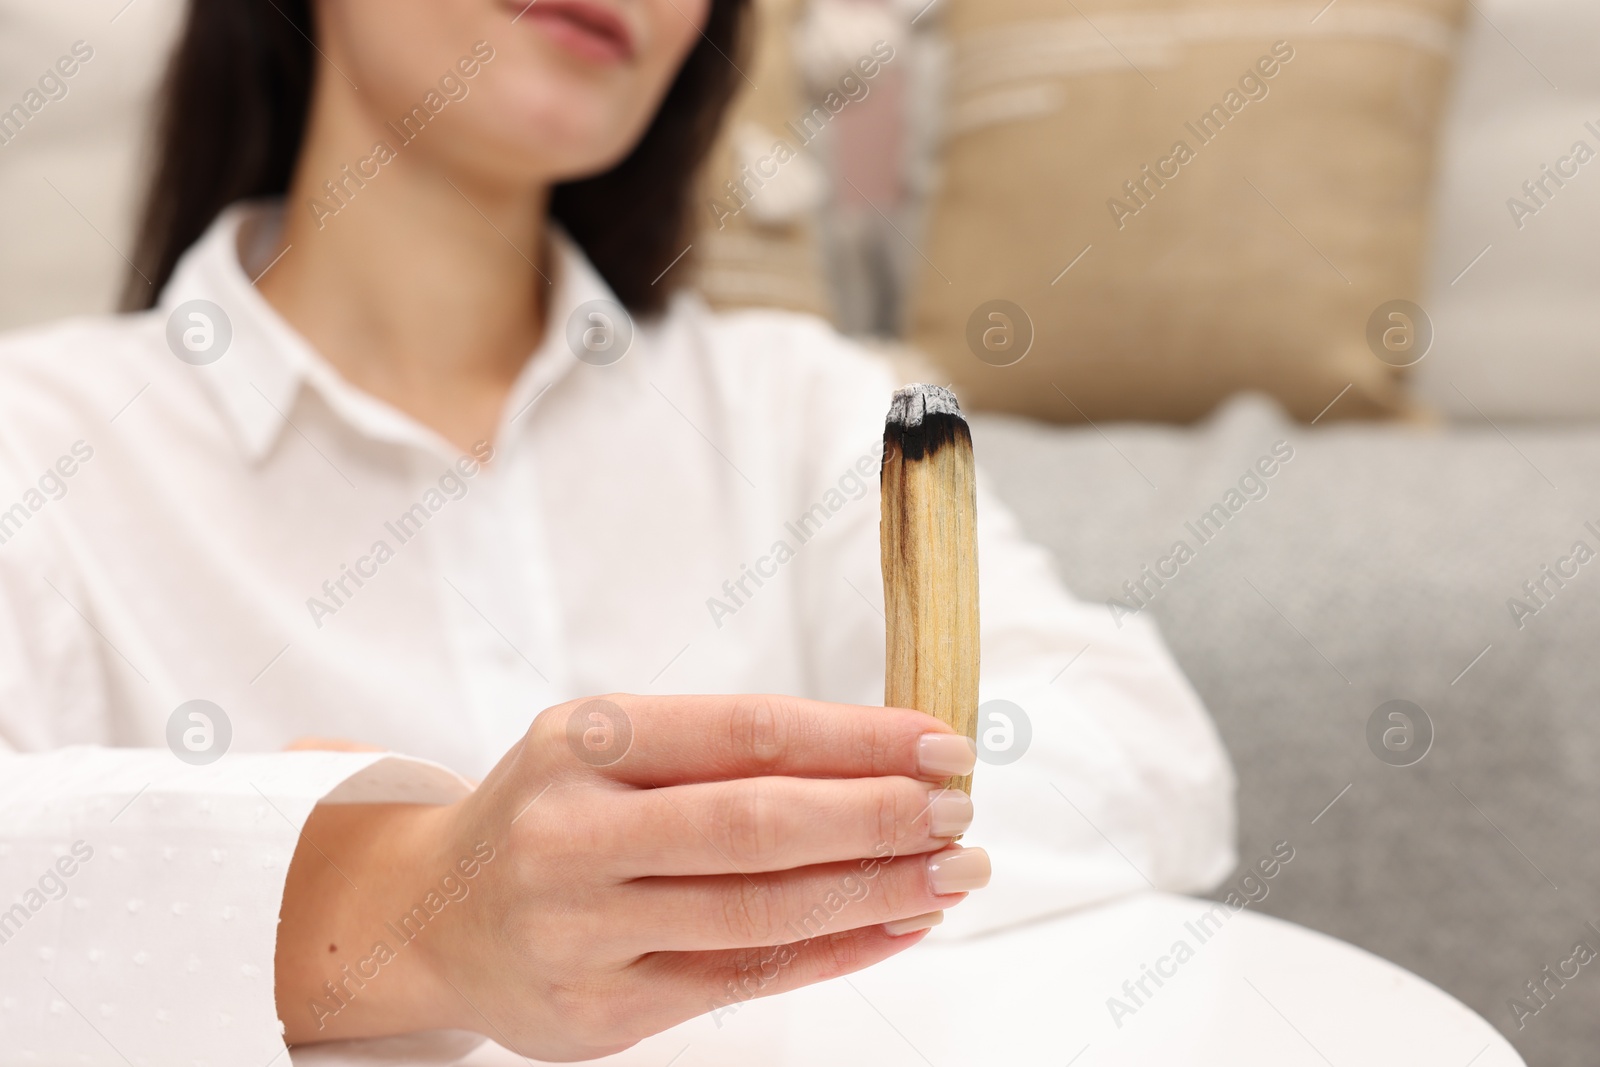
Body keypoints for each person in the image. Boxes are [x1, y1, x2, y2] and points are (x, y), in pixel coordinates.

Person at [0, 0, 1235, 1061]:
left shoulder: (796, 405)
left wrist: (698, 860)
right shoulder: (37, 444)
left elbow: (1143, 753)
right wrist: (395, 899)